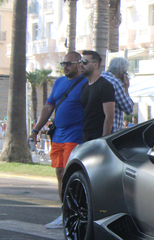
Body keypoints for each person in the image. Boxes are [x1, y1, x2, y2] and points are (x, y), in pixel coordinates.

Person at [28, 51, 87, 229]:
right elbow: (48, 106)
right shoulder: (59, 82)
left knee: (71, 175)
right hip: (58, 135)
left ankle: (75, 212)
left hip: (75, 135)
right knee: (60, 174)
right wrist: (35, 130)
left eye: (69, 63)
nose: (65, 67)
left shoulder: (86, 83)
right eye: (63, 64)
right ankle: (65, 213)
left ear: (79, 64)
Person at [79, 50, 115, 142]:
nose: (81, 65)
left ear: (95, 65)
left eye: (85, 62)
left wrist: (103, 140)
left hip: (98, 137)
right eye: (80, 62)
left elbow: (109, 116)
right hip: (85, 136)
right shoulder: (84, 86)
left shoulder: (105, 85)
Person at [100, 57, 134, 132]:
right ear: (122, 71)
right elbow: (128, 109)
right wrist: (126, 88)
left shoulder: (99, 79)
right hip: (111, 131)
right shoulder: (115, 83)